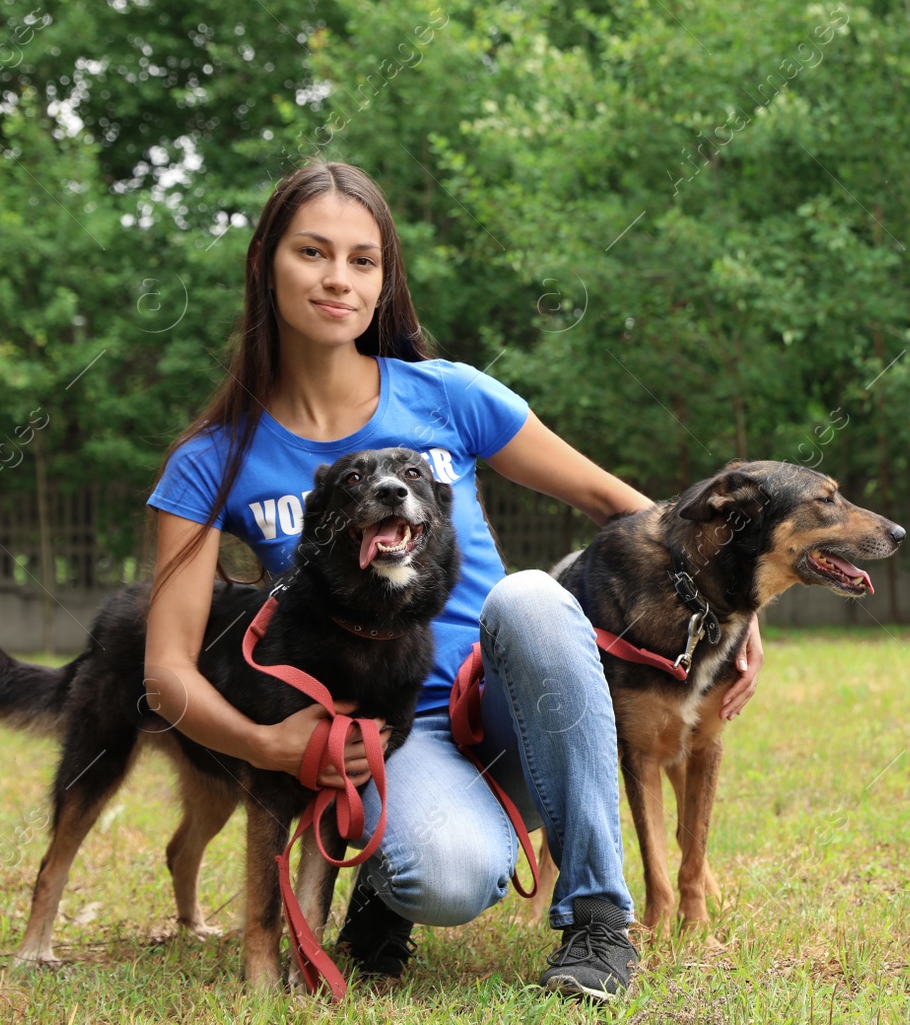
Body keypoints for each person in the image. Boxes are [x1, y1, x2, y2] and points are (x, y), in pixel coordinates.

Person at [141, 161, 764, 1002]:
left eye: (363, 261)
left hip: (514, 703)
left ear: (385, 278)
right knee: (445, 879)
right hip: (379, 740)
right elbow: (167, 671)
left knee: (534, 597)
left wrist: (723, 611)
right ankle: (388, 886)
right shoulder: (211, 462)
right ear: (265, 264)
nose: (338, 279)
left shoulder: (451, 396)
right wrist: (264, 745)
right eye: (313, 253)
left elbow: (622, 507)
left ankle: (596, 922)